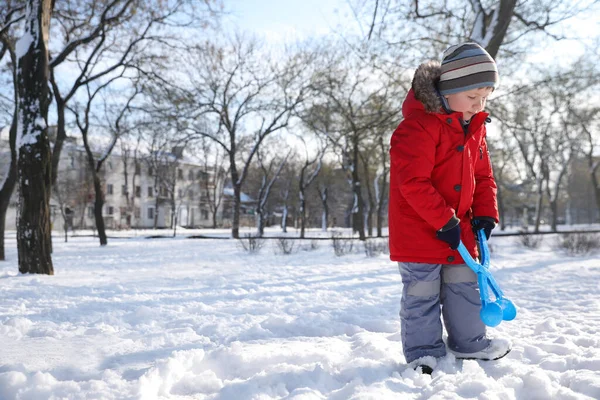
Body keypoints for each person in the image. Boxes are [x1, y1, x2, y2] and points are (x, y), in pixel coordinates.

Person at [388, 42, 511, 375]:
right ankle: (424, 353)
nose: (478, 105)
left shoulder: (475, 129)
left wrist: (486, 213)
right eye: (472, 97)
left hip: (461, 231)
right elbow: (412, 182)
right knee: (422, 295)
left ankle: (469, 343)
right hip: (420, 232)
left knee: (464, 286)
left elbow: (484, 176)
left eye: (485, 98)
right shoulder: (417, 128)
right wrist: (444, 219)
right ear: (449, 90)